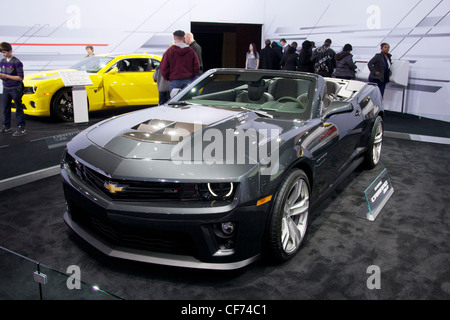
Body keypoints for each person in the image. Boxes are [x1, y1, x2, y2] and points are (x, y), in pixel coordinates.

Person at [160, 30, 200, 94]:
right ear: (184, 38)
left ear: (174, 38)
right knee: (189, 101)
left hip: (174, 81)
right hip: (188, 80)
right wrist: (191, 75)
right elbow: (197, 66)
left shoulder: (170, 51)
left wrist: (168, 77)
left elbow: (163, 67)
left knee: (175, 102)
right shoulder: (191, 51)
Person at [0, 42, 26, 136]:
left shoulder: (17, 62)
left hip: (15, 88)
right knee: (5, 108)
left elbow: (20, 78)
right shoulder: (2, 61)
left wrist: (6, 75)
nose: (3, 54)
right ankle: (6, 126)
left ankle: (21, 128)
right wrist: (2, 77)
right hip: (6, 87)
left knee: (18, 107)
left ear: (10, 50)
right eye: (2, 52)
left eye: (5, 52)